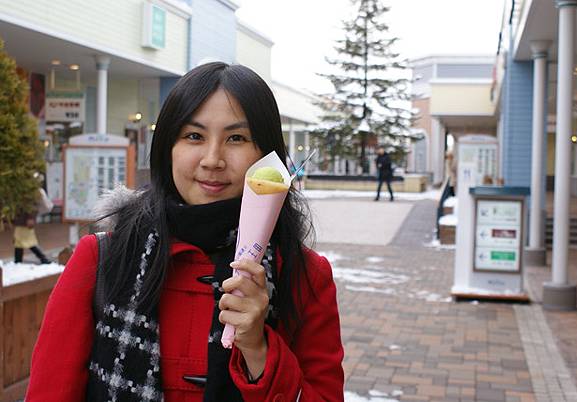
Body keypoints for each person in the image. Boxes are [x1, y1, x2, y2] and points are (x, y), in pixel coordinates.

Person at [26, 63, 344, 401]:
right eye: (194, 136)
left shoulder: (304, 274)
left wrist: (256, 346)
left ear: (266, 154)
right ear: (168, 148)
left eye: (236, 138)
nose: (212, 159)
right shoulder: (102, 259)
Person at [13, 183, 52, 264]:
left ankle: (43, 258)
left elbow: (31, 206)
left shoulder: (29, 192)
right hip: (21, 220)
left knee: (28, 241)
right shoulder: (25, 190)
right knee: (19, 241)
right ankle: (18, 261)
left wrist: (30, 218)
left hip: (24, 220)